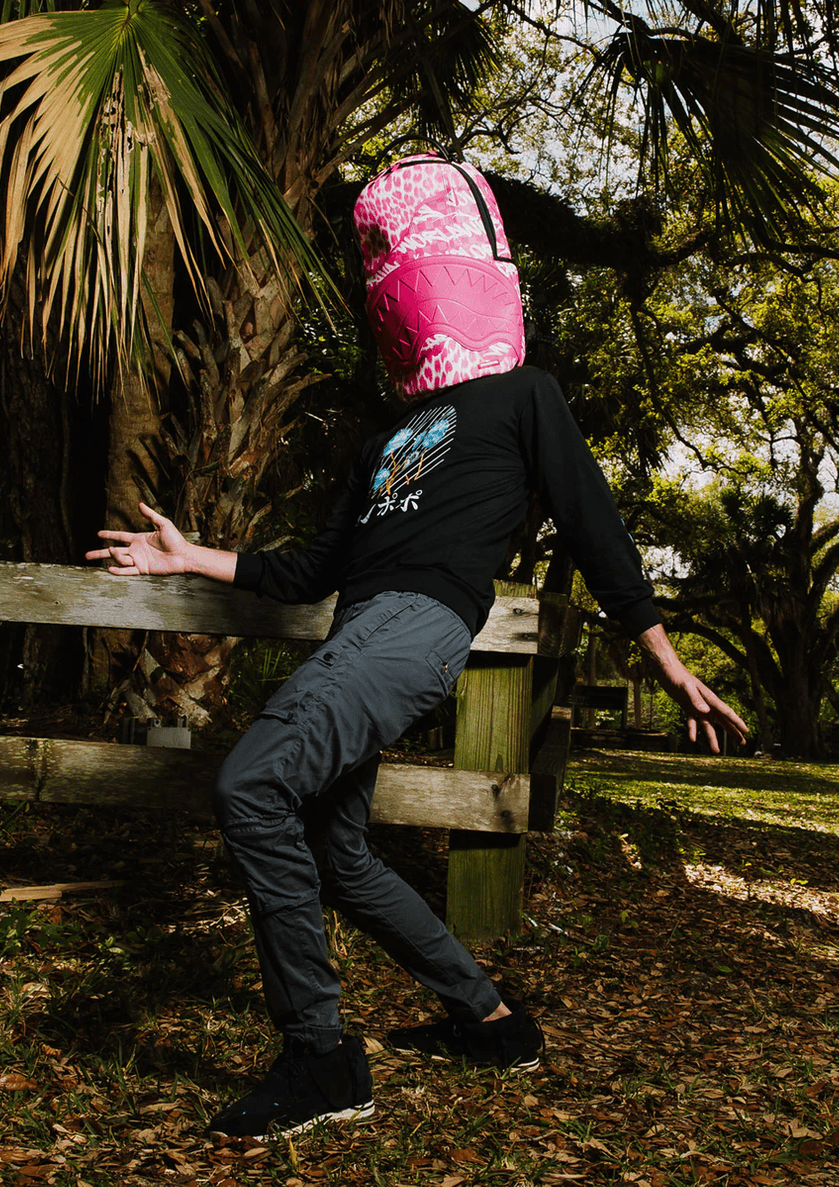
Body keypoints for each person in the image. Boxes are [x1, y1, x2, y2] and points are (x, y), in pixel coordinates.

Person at [86, 364, 748, 1139]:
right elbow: (310, 571)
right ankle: (493, 1022)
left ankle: (321, 1061)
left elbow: (590, 518)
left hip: (417, 625)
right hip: (359, 630)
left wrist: (665, 659)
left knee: (252, 784)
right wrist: (191, 556)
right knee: (338, 854)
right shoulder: (381, 442)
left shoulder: (520, 393)